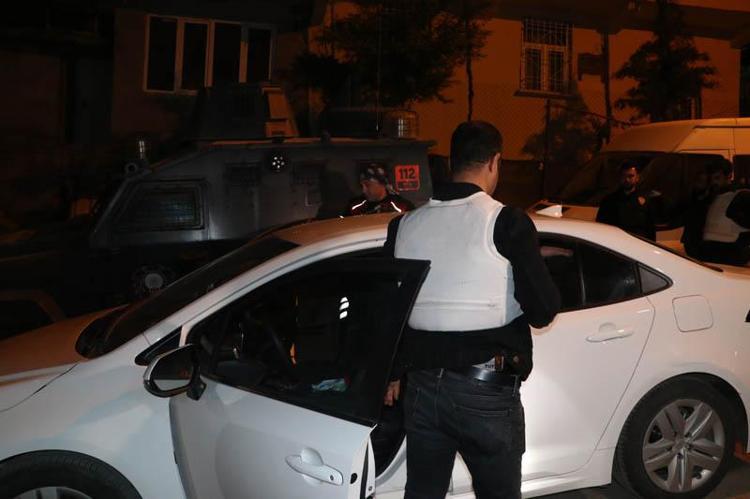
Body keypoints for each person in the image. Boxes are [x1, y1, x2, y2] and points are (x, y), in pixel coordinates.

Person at [382, 121, 560, 499]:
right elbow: (543, 311)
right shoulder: (506, 222)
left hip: (422, 387)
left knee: (423, 492)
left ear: (451, 162)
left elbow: (389, 311)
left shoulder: (403, 226)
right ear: (495, 162)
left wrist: (393, 372)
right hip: (485, 393)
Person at [700, 159, 750, 265]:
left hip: (732, 259)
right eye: (711, 179)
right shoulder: (710, 197)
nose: (713, 182)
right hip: (710, 257)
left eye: (717, 178)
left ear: (729, 176)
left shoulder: (742, 197)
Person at [596, 162, 656, 240]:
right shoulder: (609, 201)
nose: (627, 180)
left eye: (630, 176)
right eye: (623, 176)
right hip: (617, 243)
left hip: (638, 243)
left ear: (637, 177)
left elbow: (650, 229)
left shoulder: (645, 200)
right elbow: (601, 227)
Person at [343, 163, 414, 216]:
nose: (364, 190)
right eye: (362, 186)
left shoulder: (402, 207)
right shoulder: (354, 208)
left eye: (367, 185)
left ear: (381, 184)